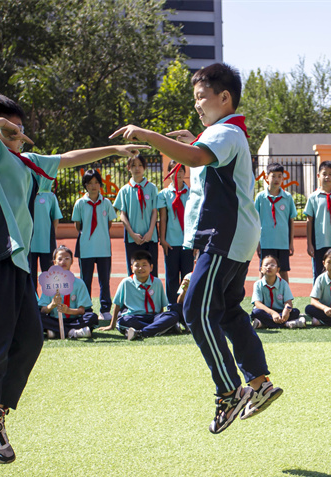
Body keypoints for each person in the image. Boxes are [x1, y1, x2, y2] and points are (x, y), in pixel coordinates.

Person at [0, 92, 144, 464]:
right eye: (9, 128)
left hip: (21, 264)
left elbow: (70, 158)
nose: (18, 134)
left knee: (30, 340)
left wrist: (111, 152)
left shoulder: (30, 163)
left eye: (20, 128)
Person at [109, 62, 282, 433]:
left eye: (202, 98)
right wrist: (196, 141)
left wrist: (149, 135)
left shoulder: (226, 132)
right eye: (196, 99)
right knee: (227, 310)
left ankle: (228, 391)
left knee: (194, 310)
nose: (198, 105)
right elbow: (204, 161)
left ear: (225, 98)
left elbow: (198, 158)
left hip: (226, 235)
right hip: (230, 237)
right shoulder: (226, 133)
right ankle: (259, 383)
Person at [101, 250, 181, 340]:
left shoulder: (157, 282)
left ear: (151, 267)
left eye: (144, 265)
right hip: (133, 317)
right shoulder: (126, 282)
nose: (140, 268)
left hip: (153, 317)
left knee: (173, 315)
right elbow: (117, 305)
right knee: (124, 321)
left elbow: (161, 307)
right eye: (137, 265)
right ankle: (162, 329)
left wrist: (160, 320)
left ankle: (141, 332)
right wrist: (112, 325)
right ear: (131, 268)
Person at [71, 169, 116, 320]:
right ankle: (87, 308)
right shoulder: (80, 203)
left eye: (96, 182)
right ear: (85, 185)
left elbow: (109, 223)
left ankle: (105, 309)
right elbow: (78, 225)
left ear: (100, 184)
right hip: (86, 248)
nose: (94, 186)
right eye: (90, 183)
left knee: (104, 280)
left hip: (103, 248)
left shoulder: (107, 203)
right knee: (86, 281)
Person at [37, 245, 98, 340]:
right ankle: (73, 332)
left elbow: (82, 311)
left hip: (75, 319)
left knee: (92, 317)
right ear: (54, 262)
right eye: (60, 259)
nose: (63, 262)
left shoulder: (79, 283)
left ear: (72, 261)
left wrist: (67, 311)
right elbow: (43, 310)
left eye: (67, 258)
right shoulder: (49, 283)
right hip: (55, 319)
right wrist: (52, 305)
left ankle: (56, 331)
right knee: (38, 317)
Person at [114, 154, 159, 277]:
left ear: (144, 167)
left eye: (140, 165)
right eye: (133, 165)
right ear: (128, 168)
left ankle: (151, 296)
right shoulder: (124, 190)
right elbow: (122, 215)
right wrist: (132, 234)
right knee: (134, 273)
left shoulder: (152, 188)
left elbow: (155, 211)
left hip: (150, 238)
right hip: (132, 238)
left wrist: (150, 232)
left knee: (151, 272)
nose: (137, 168)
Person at [255, 162, 297, 284]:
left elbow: (291, 220)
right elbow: (256, 220)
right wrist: (257, 243)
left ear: (283, 178)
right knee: (263, 271)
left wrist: (291, 243)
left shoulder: (287, 197)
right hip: (266, 241)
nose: (277, 179)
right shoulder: (260, 197)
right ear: (267, 177)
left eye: (280, 176)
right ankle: (260, 298)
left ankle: (286, 299)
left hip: (282, 242)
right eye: (273, 176)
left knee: (283, 271)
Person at [157, 161, 194, 300]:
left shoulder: (192, 193)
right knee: (171, 277)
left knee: (187, 276)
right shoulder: (164, 194)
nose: (177, 174)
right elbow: (163, 218)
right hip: (171, 242)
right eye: (173, 170)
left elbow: (195, 217)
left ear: (185, 173)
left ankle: (186, 308)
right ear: (168, 174)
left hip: (188, 243)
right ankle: (172, 308)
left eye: (180, 170)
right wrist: (163, 240)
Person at [250, 254, 304, 329]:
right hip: (265, 311)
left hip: (280, 311)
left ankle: (264, 323)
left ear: (278, 269)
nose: (269, 267)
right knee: (256, 312)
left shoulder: (283, 283)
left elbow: (288, 302)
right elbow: (257, 303)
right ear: (261, 269)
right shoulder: (258, 284)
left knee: (295, 311)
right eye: (266, 265)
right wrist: (272, 313)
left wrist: (286, 310)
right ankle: (286, 324)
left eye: (272, 265)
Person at [27, 185, 61, 277]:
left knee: (49, 276)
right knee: (30, 276)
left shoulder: (50, 196)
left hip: (46, 243)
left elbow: (55, 218)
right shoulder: (25, 193)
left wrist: (51, 236)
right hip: (29, 244)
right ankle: (33, 292)